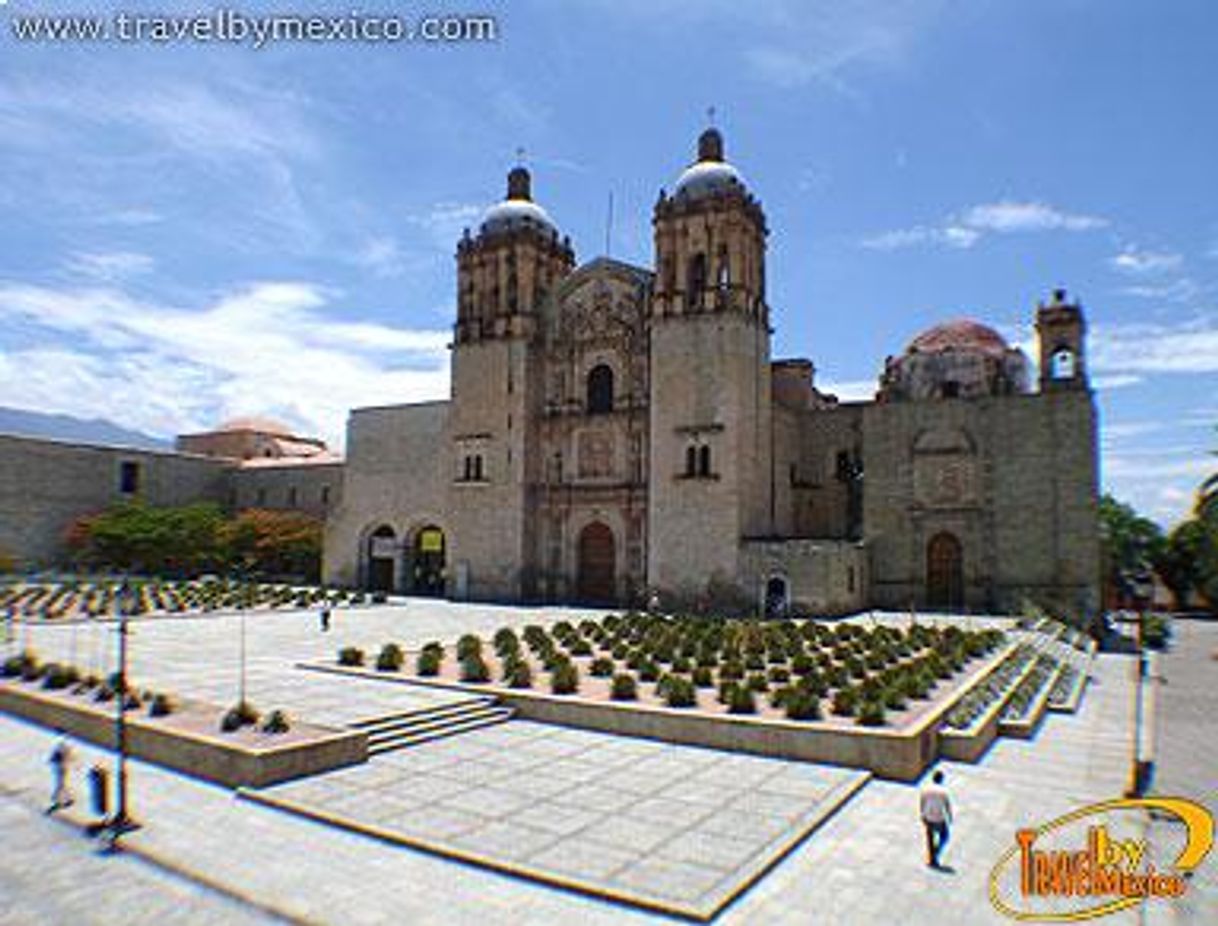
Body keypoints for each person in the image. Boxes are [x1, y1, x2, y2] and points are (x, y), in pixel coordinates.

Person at [920, 769, 953, 868]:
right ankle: (935, 853)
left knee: (930, 838)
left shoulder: (925, 789)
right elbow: (947, 805)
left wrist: (922, 814)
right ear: (941, 780)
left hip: (928, 816)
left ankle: (931, 857)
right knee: (944, 836)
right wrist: (949, 817)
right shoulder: (943, 792)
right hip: (939, 818)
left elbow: (922, 802)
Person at [47, 732, 74, 814]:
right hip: (61, 767)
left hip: (61, 767)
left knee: (60, 784)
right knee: (62, 784)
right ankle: (67, 799)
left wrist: (53, 760)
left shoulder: (62, 747)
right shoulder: (63, 746)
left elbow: (60, 757)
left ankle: (57, 800)